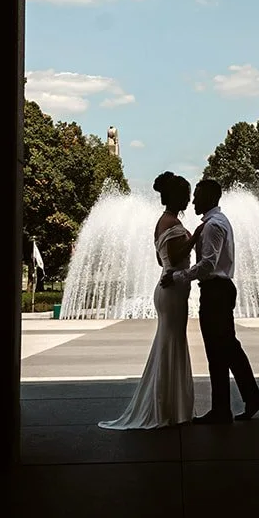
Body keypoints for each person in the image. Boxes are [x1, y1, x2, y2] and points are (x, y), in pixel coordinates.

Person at [163, 177, 259, 423]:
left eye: (197, 195)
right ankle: (246, 399)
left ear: (210, 197)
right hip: (219, 291)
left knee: (218, 350)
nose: (193, 200)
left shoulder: (212, 225)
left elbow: (207, 265)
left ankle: (227, 407)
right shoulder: (218, 221)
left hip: (216, 292)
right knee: (228, 348)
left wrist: (179, 276)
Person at [98, 172, 197, 429]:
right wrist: (195, 238)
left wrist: (172, 265)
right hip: (172, 290)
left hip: (168, 287)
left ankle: (168, 405)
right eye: (186, 194)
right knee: (171, 343)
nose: (189, 198)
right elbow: (175, 259)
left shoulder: (163, 222)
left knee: (169, 344)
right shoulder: (172, 223)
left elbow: (161, 259)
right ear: (177, 196)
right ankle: (168, 408)